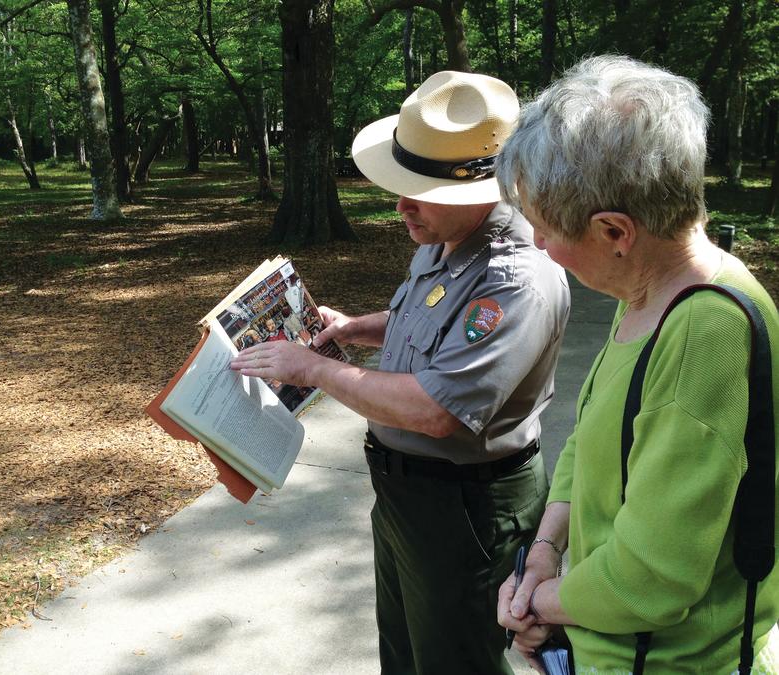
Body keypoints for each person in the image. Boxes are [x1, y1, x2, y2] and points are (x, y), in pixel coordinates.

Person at [231, 70, 571, 674]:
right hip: (407, 496)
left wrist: (311, 368)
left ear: (486, 189)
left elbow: (436, 410)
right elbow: (430, 320)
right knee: (408, 656)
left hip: (467, 506)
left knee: (454, 661)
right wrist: (357, 327)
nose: (402, 206)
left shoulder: (515, 276)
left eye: (425, 192)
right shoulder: (445, 235)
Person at [494, 55, 779, 673]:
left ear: (616, 232)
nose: (538, 244)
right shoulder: (648, 293)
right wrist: (545, 549)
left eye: (543, 228)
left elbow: (651, 577)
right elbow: (593, 437)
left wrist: (539, 603)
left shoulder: (706, 330)